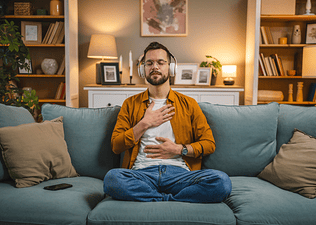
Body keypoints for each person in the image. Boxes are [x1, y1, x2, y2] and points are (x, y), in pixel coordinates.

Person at [103, 42, 232, 203]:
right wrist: (144, 123)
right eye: (149, 63)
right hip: (142, 174)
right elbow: (116, 145)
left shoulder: (189, 104)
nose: (154, 66)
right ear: (142, 69)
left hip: (180, 175)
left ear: (171, 68)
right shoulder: (130, 104)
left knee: (222, 181)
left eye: (160, 62)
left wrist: (180, 149)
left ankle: (155, 198)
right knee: (112, 178)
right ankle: (172, 200)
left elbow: (209, 144)